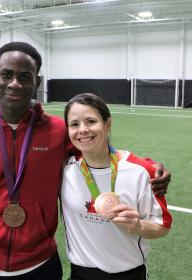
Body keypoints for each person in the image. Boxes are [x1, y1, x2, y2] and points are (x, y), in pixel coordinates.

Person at [0, 42, 171, 280]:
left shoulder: (56, 131)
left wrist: (150, 166)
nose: (15, 83)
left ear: (37, 82)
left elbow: (94, 150)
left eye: (25, 76)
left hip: (43, 262)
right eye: (7, 75)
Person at [61, 93, 172, 280]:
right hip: (80, 273)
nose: (83, 130)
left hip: (128, 274)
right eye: (74, 124)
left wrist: (138, 226)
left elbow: (163, 226)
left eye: (90, 121)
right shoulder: (64, 168)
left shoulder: (141, 171)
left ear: (107, 123)